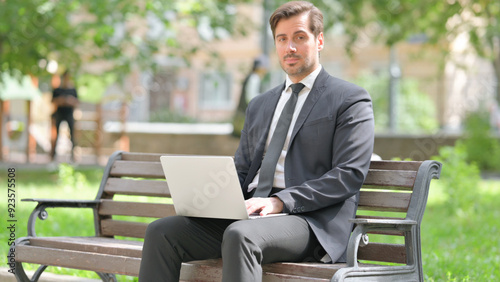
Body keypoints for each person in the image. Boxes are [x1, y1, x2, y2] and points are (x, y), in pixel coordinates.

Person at [139, 1, 375, 281]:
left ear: (319, 40)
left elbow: (349, 174)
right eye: (282, 39)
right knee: (162, 232)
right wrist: (209, 199)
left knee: (241, 235)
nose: (290, 48)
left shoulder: (349, 100)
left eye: (300, 37)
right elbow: (242, 168)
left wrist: (281, 201)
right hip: (251, 215)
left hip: (310, 222)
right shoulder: (261, 104)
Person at [232, 55, 269, 137]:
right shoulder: (254, 78)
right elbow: (251, 98)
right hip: (246, 117)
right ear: (260, 68)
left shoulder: (251, 77)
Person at [50, 70, 79, 161]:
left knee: (72, 135)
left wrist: (70, 101)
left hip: (69, 114)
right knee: (56, 135)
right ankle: (53, 155)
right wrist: (61, 100)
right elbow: (53, 101)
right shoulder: (57, 90)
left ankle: (73, 156)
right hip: (59, 114)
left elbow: (77, 102)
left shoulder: (72, 90)